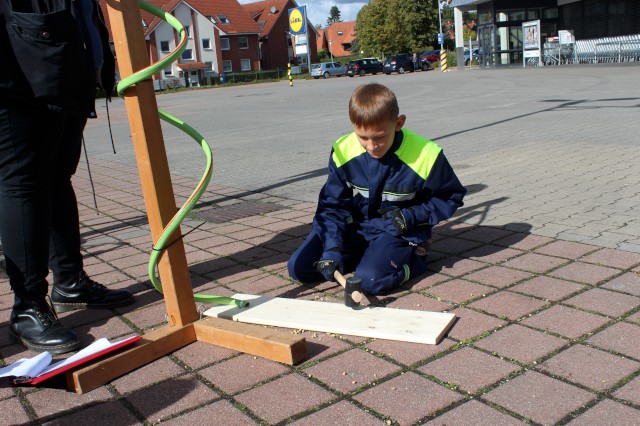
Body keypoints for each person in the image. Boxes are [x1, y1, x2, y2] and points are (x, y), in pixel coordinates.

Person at [0, 0, 134, 354]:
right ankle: (27, 307)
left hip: (60, 57)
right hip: (19, 63)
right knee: (23, 180)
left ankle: (70, 282)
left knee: (58, 176)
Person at [288, 83, 466, 294]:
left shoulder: (427, 154)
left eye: (380, 137)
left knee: (370, 281)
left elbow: (450, 197)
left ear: (399, 123)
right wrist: (332, 247)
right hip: (361, 227)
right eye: (362, 137)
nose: (372, 146)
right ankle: (370, 257)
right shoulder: (343, 150)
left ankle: (414, 260)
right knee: (299, 269)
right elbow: (332, 206)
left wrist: (411, 217)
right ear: (353, 125)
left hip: (401, 229)